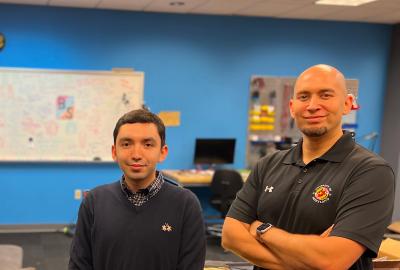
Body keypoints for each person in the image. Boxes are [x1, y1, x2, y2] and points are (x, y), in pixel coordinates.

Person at [222, 64, 395, 270]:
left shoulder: (371, 172)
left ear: (347, 104)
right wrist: (308, 262)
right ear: (292, 107)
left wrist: (263, 230)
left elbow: (332, 260)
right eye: (304, 97)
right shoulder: (268, 164)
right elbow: (230, 236)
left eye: (325, 95)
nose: (313, 105)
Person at [69, 109, 206, 270]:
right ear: (114, 152)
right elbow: (79, 265)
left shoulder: (186, 204)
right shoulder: (94, 201)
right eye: (126, 144)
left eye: (147, 144)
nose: (136, 154)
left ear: (162, 152)